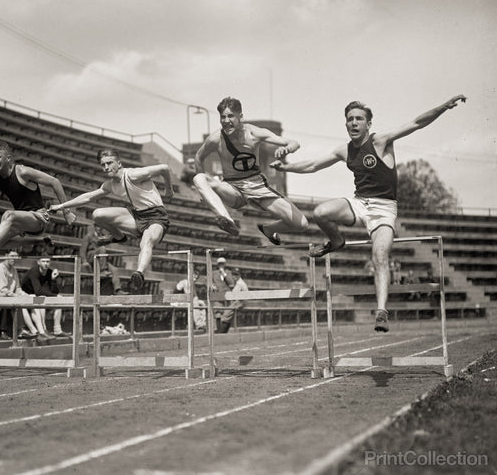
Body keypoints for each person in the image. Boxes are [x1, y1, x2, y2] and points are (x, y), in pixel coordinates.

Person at [271, 95, 467, 333]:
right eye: (350, 119)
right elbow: (313, 165)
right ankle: (337, 241)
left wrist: (443, 107)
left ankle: (382, 311)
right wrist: (286, 167)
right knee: (320, 212)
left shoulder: (381, 141)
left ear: (368, 124)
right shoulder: (344, 150)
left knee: (380, 256)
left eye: (359, 119)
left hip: (384, 209)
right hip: (359, 203)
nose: (354, 123)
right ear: (345, 124)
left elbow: (416, 123)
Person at [49, 148, 173, 292]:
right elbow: (87, 197)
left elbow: (164, 168)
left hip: (157, 217)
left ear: (119, 163)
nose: (106, 167)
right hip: (137, 216)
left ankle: (139, 273)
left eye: (109, 163)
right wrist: (61, 205)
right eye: (103, 165)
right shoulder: (111, 185)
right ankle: (119, 237)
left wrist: (169, 189)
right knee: (97, 214)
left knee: (146, 241)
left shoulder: (133, 175)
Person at [192, 96, 309, 245]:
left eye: (230, 116)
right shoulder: (216, 138)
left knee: (302, 224)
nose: (226, 121)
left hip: (257, 186)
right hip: (232, 189)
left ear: (240, 117)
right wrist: (204, 192)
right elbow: (198, 156)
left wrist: (287, 149)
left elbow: (294, 143)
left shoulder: (254, 133)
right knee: (199, 179)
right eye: (223, 117)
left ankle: (268, 229)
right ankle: (226, 219)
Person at [0, 249, 42, 340]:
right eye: (12, 256)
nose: (14, 259)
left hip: (11, 296)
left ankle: (40, 331)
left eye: (16, 257)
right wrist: (17, 296)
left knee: (34, 298)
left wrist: (26, 295)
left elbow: (18, 289)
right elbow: (3, 290)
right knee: (18, 301)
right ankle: (21, 330)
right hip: (0, 297)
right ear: (6, 255)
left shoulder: (14, 269)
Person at [21, 254, 69, 338]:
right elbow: (38, 291)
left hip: (36, 297)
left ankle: (57, 330)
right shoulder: (34, 271)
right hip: (25, 296)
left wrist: (53, 280)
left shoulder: (49, 272)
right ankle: (43, 330)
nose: (46, 264)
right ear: (38, 262)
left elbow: (54, 291)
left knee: (58, 301)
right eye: (43, 261)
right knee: (42, 299)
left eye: (47, 261)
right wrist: (55, 295)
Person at [79, 226, 127, 295]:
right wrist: (84, 261)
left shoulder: (102, 237)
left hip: (100, 259)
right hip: (91, 256)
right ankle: (102, 270)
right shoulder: (89, 236)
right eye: (98, 227)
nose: (99, 229)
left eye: (100, 228)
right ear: (95, 227)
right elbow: (82, 250)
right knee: (102, 248)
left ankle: (117, 290)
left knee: (114, 269)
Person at [219, 268, 249, 334]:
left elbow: (244, 296)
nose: (234, 276)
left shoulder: (240, 283)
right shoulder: (237, 282)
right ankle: (222, 334)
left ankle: (221, 334)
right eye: (233, 274)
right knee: (226, 315)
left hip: (240, 301)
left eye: (236, 274)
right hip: (238, 301)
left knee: (225, 315)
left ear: (240, 275)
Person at [212, 257, 234, 332]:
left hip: (226, 294)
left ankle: (224, 331)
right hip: (218, 294)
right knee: (218, 312)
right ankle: (219, 331)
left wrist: (224, 274)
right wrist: (212, 285)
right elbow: (207, 281)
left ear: (225, 264)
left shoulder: (228, 272)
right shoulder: (214, 273)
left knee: (226, 313)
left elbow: (231, 283)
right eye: (219, 264)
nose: (221, 265)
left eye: (222, 264)